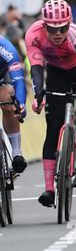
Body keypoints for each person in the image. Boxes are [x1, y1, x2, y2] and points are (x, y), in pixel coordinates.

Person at [26, 0, 76, 207]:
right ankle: (49, 188)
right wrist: (39, 94)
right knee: (53, 127)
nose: (58, 33)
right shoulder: (34, 34)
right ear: (45, 26)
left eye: (63, 27)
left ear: (69, 24)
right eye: (53, 29)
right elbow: (35, 68)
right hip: (56, 73)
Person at [0, 35, 27, 172]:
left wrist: (20, 104)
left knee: (7, 100)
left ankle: (16, 152)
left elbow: (18, 79)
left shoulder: (5, 47)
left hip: (3, 76)